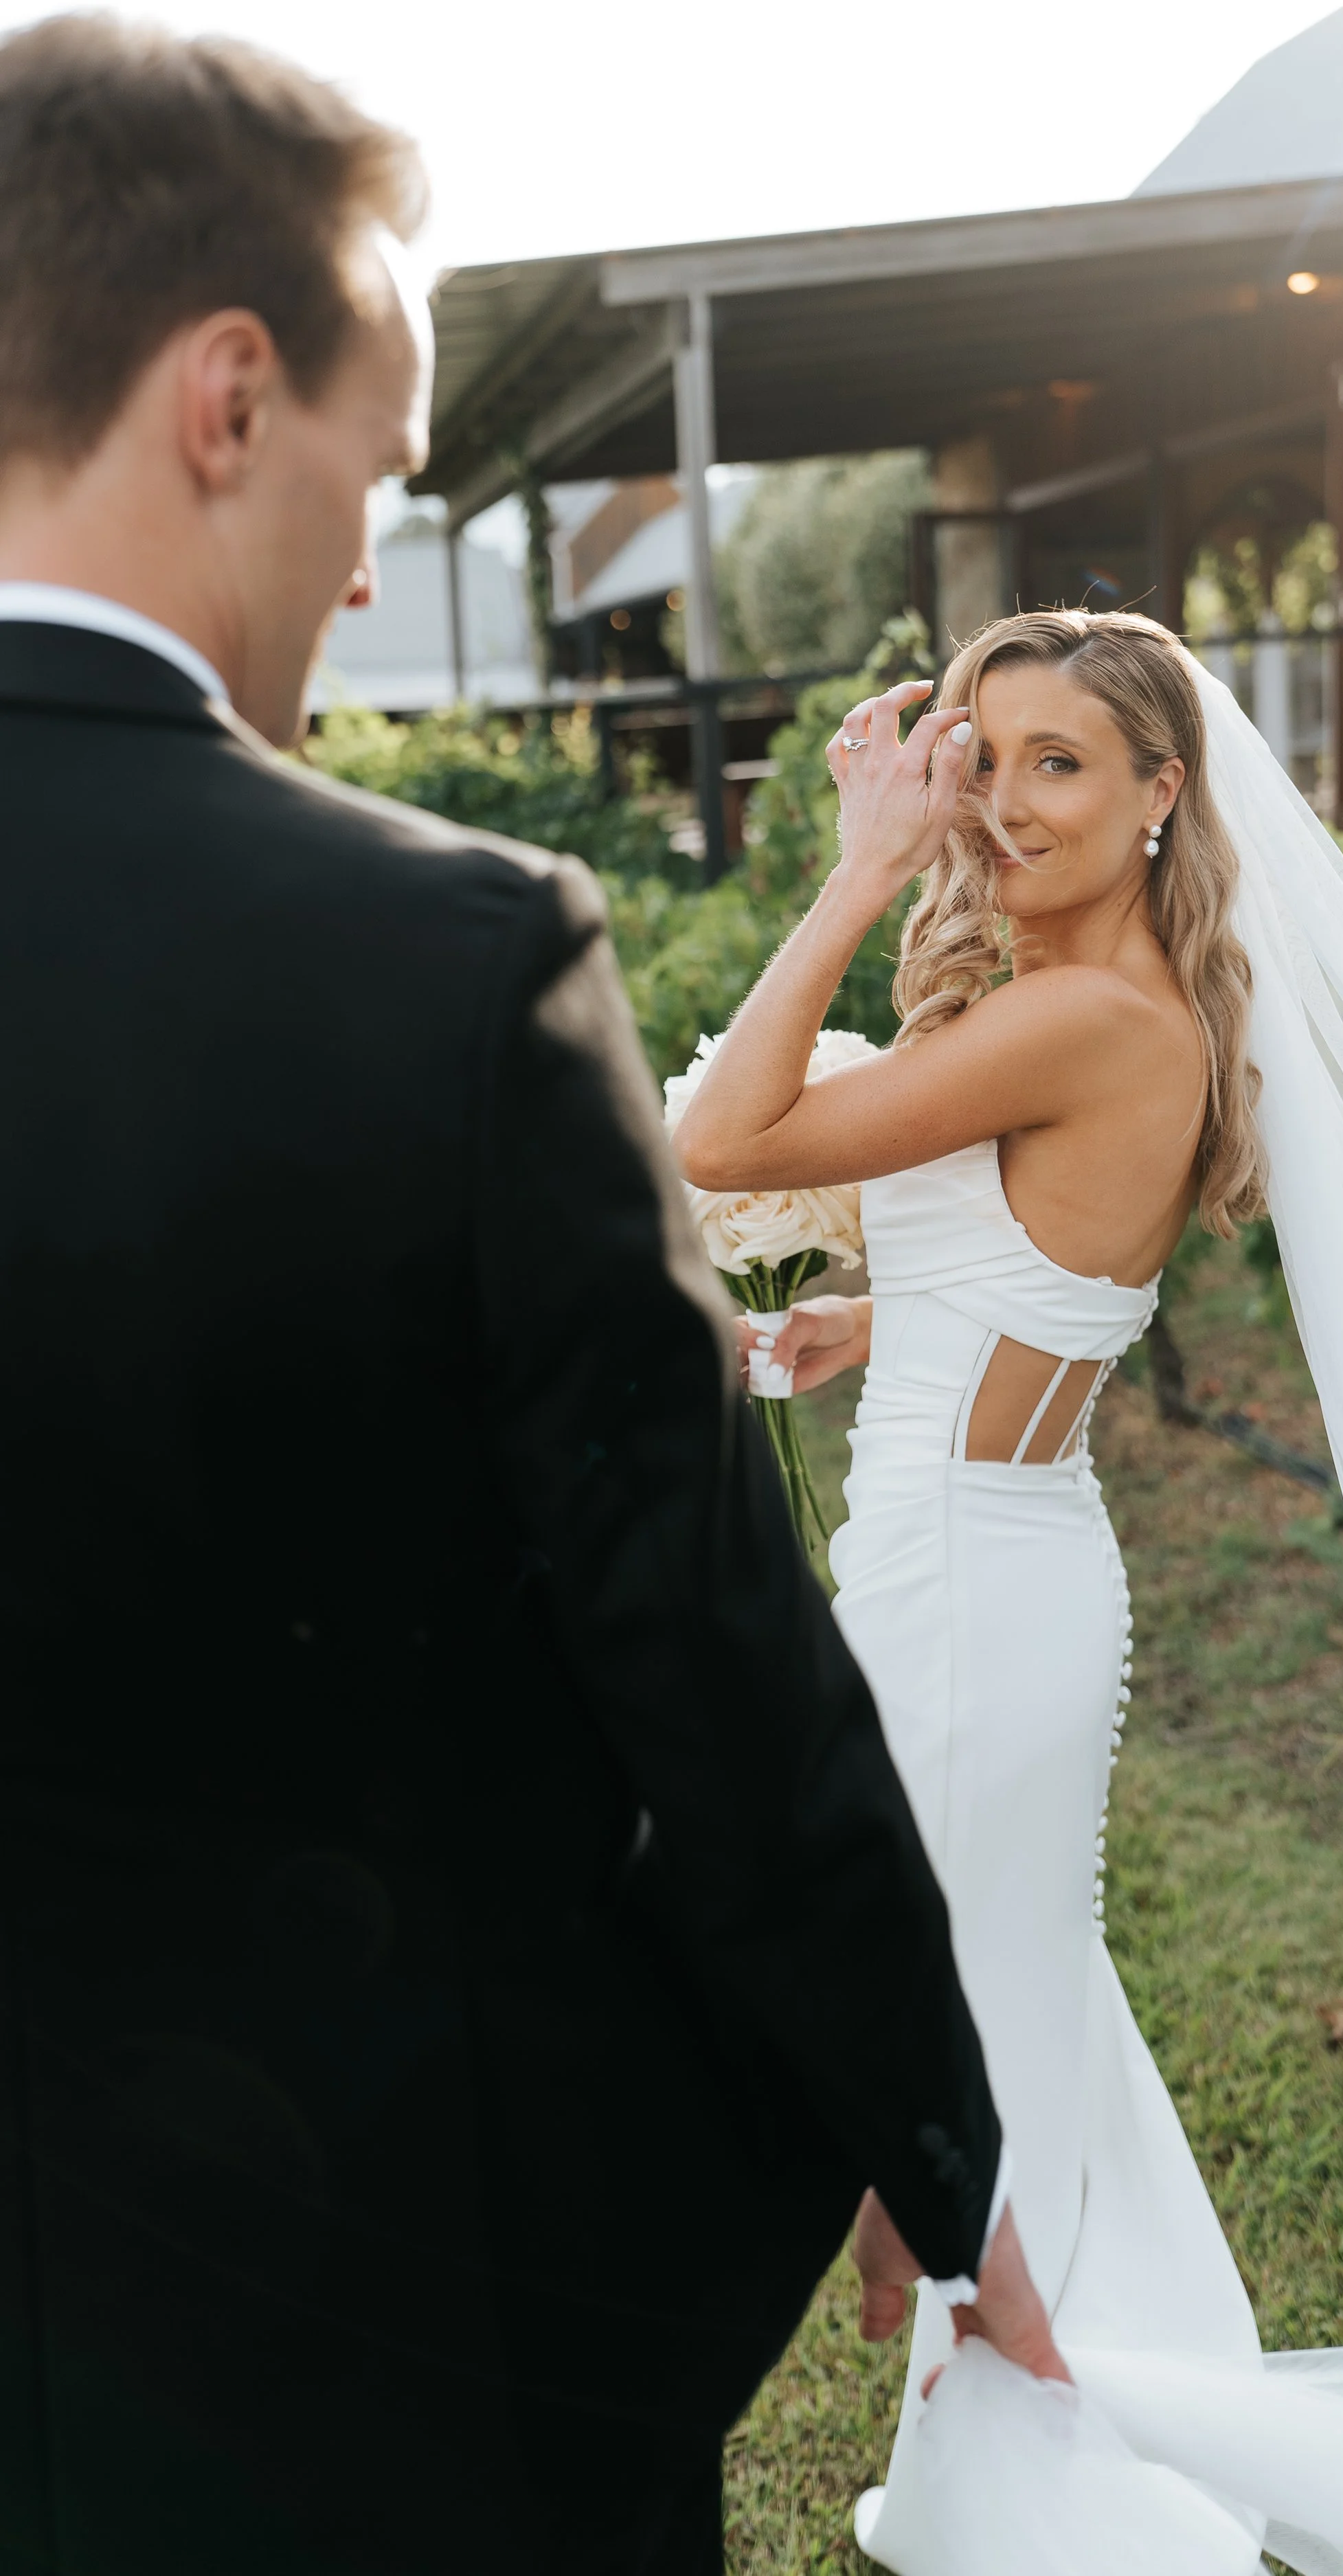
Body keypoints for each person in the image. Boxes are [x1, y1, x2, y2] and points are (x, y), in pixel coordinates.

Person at [0, 21, 1061, 2575]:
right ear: (228, 396)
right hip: (361, 2338)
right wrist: (933, 2142)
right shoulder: (444, 961)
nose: (374, 562)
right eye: (381, 470)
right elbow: (709, 1655)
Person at [673, 610, 1343, 2573]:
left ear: (1167, 790)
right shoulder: (1095, 998)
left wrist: (858, 866)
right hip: (990, 1552)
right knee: (1022, 2031)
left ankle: (1077, 2484)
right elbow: (1050, 1274)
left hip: (974, 1591)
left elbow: (725, 1136)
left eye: (1057, 759)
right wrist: (868, 1329)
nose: (1001, 797)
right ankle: (1030, 2478)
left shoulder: (1083, 1013)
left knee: (934, 2042)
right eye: (976, 756)